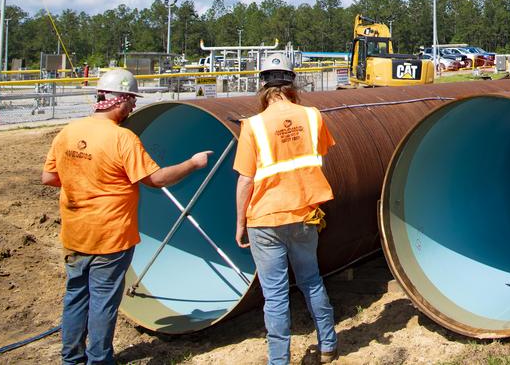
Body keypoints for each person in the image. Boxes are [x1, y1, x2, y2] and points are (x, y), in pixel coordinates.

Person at [42, 68, 211, 365]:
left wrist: (84, 180)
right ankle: (99, 360)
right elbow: (156, 179)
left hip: (74, 233)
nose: (133, 107)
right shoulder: (122, 139)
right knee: (103, 303)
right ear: (118, 100)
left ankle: (71, 359)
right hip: (111, 237)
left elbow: (49, 177)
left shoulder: (69, 131)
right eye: (131, 100)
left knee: (75, 298)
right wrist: (193, 163)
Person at [234, 52, 338, 364]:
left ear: (262, 85)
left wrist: (240, 223)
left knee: (275, 295)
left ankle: (279, 360)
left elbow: (245, 181)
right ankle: (329, 345)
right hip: (305, 213)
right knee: (311, 280)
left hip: (265, 219)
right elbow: (317, 158)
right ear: (292, 83)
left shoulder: (252, 126)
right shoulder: (312, 116)